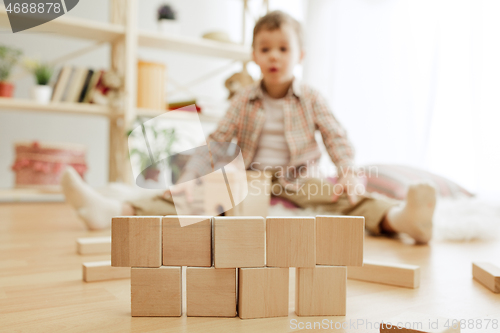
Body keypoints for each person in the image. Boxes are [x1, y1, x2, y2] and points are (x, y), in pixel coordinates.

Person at [61, 10, 436, 244]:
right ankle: (115, 211)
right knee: (198, 196)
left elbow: (337, 139)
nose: (274, 56)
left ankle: (402, 219)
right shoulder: (244, 99)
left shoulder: (313, 98)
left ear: (299, 55)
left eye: (283, 49)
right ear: (254, 55)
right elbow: (218, 141)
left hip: (300, 176)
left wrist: (348, 174)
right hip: (251, 176)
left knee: (345, 198)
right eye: (266, 48)